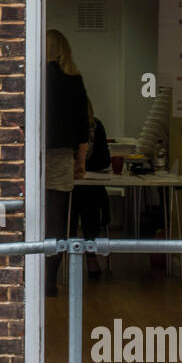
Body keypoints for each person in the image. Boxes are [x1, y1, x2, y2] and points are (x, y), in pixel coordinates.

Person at [43, 29, 91, 296]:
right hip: (62, 156)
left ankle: (29, 274)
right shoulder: (74, 80)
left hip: (34, 155)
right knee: (58, 220)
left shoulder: (34, 77)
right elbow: (82, 126)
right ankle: (51, 280)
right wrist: (80, 161)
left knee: (29, 215)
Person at [69, 98, 112, 279]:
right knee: (90, 204)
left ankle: (74, 258)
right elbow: (103, 160)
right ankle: (91, 258)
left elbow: (104, 159)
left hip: (78, 183)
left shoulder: (92, 127)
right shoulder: (94, 126)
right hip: (81, 184)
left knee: (86, 202)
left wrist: (79, 165)